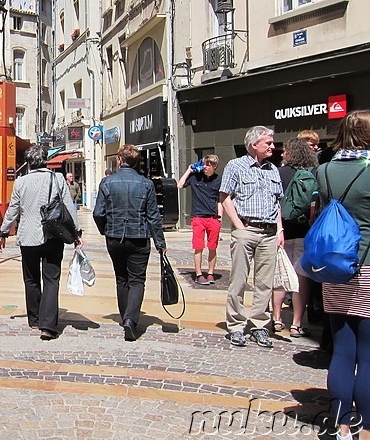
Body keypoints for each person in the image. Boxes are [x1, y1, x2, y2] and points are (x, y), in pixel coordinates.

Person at [315, 111, 370, 440]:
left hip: (334, 266)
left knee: (343, 349)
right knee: (368, 353)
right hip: (368, 265)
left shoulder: (324, 170)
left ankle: (342, 426)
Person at [0, 144, 83, 341]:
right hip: (53, 235)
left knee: (31, 278)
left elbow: (13, 210)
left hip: (28, 237)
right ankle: (48, 325)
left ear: (28, 163)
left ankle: (34, 318)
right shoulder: (58, 178)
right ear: (45, 160)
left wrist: (3, 232)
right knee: (51, 279)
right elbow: (68, 207)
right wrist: (76, 232)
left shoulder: (20, 182)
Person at [92, 144, 166, 342]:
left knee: (121, 277)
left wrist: (105, 230)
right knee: (137, 279)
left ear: (119, 160)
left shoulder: (107, 183)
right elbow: (153, 216)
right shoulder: (146, 183)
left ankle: (126, 315)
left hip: (115, 237)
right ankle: (130, 320)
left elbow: (98, 213)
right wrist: (160, 242)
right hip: (139, 237)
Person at [219, 126, 284, 348]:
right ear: (253, 144)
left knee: (265, 283)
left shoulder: (273, 169)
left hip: (269, 233)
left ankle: (259, 325)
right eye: (268, 143)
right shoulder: (235, 166)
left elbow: (277, 203)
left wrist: (280, 230)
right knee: (238, 280)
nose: (272, 147)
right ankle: (236, 325)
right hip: (246, 229)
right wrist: (239, 226)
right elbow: (225, 197)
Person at [271, 138, 318, 337]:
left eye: (285, 151)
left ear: (290, 153)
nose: (282, 154)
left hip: (282, 232)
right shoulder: (313, 174)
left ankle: (277, 319)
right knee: (301, 278)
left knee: (281, 274)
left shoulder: (278, 173)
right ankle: (297, 323)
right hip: (304, 231)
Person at [177, 155, 222, 285]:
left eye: (208, 165)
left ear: (214, 166)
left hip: (212, 218)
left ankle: (211, 273)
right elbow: (180, 185)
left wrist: (219, 217)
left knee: (212, 247)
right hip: (198, 217)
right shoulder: (195, 177)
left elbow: (220, 200)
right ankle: (199, 274)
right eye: (204, 164)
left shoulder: (218, 180)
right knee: (198, 247)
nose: (205, 167)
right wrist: (189, 170)